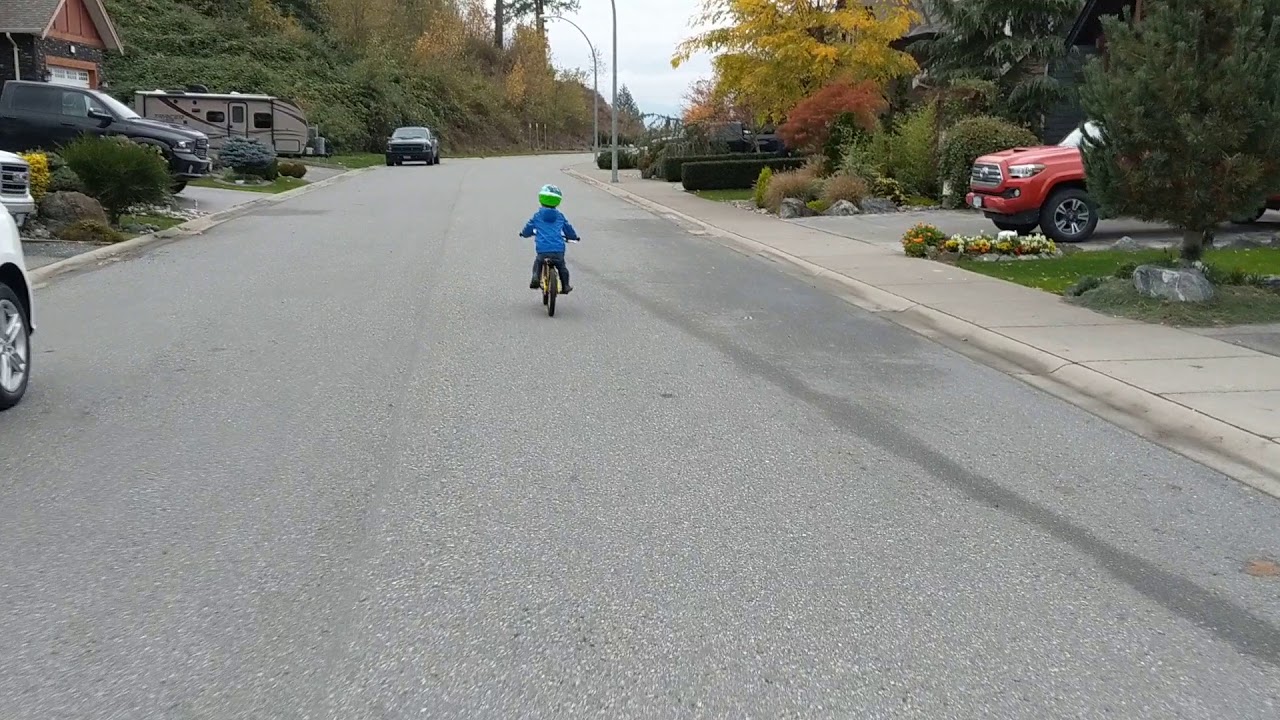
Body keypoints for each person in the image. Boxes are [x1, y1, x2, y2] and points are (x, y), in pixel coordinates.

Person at [520, 184, 580, 294]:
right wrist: (573, 237)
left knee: (538, 261)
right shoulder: (560, 216)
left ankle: (535, 278)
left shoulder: (537, 216)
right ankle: (565, 285)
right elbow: (568, 229)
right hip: (558, 249)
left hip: (543, 249)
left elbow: (528, 228)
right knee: (562, 267)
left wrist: (524, 234)